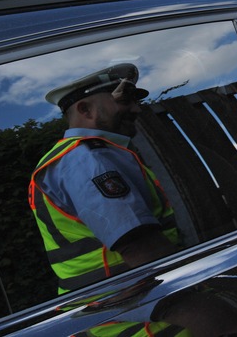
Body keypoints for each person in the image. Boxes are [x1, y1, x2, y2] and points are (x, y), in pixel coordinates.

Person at [29, 63, 179, 294]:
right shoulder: (86, 159)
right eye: (124, 100)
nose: (137, 109)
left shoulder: (92, 154)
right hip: (141, 316)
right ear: (86, 110)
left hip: (127, 306)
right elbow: (142, 250)